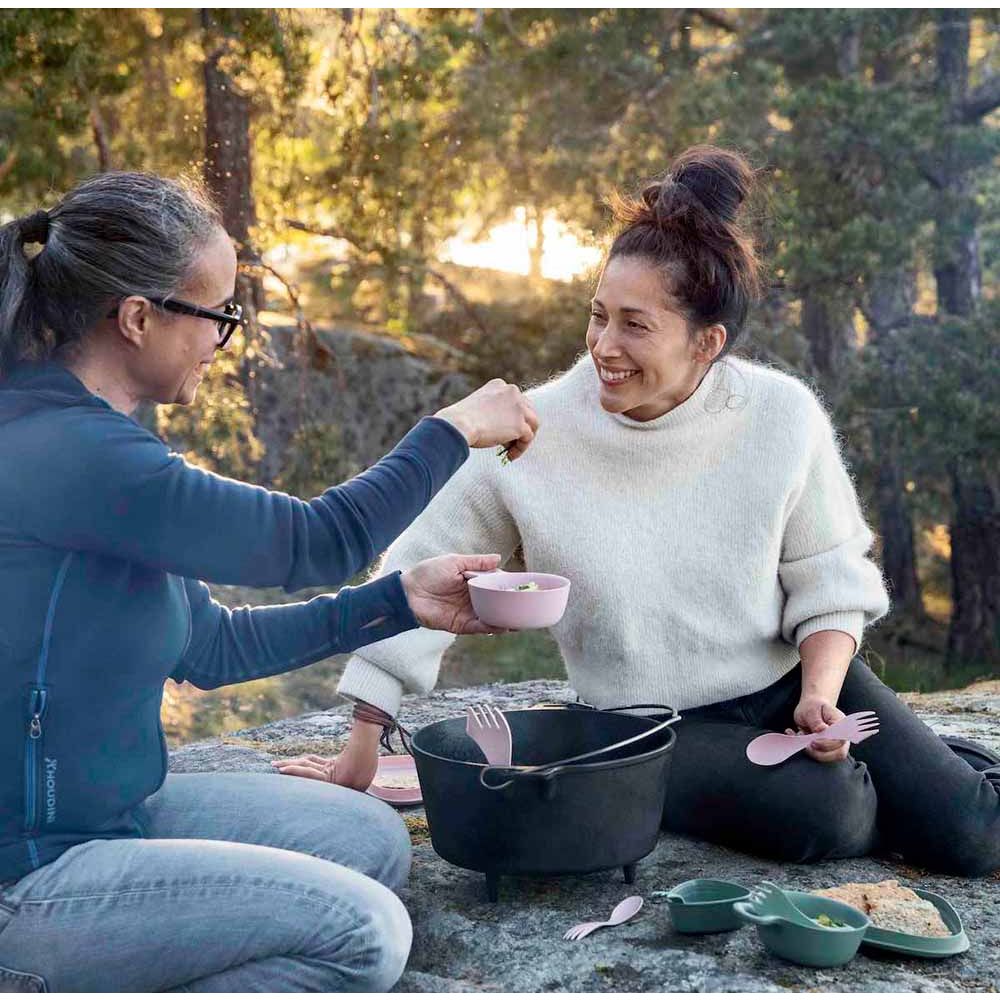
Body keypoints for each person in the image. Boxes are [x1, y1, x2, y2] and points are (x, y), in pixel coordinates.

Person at [279, 146, 1000, 878]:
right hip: (652, 724)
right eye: (597, 317)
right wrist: (363, 740)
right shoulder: (534, 433)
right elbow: (418, 570)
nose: (603, 347)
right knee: (834, 813)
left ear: (707, 343)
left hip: (794, 681)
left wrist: (817, 697)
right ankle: (891, 788)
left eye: (635, 325)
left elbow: (829, 578)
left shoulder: (783, 416)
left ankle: (945, 770)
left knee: (975, 835)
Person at [0, 171, 539, 992]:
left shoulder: (100, 453)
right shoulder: (69, 455)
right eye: (218, 315)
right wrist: (453, 430)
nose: (226, 339)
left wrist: (398, 602)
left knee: (371, 841)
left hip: (112, 816)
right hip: (29, 876)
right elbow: (318, 542)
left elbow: (210, 646)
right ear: (138, 319)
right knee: (366, 933)